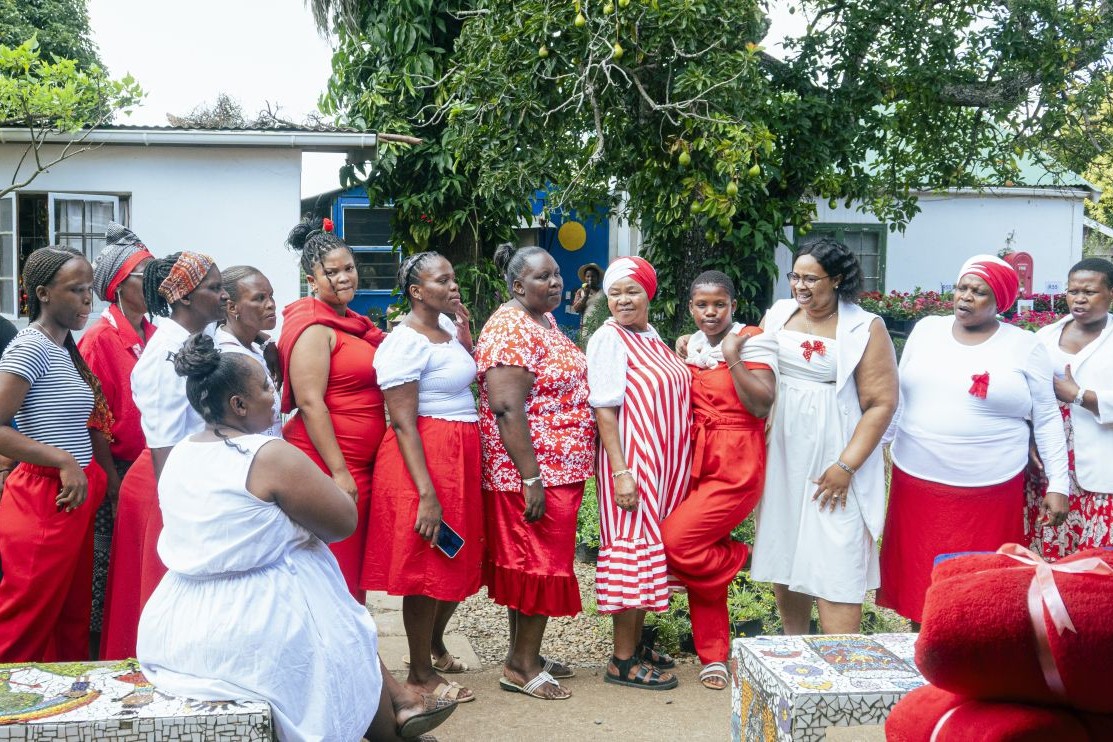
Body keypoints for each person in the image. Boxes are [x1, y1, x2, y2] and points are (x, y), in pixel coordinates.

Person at [137, 334, 456, 742]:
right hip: (254, 625)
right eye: (267, 387)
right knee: (340, 631)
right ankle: (393, 726)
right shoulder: (265, 454)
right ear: (238, 405)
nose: (275, 395)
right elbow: (343, 522)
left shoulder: (180, 452)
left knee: (335, 618)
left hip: (179, 625)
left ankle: (401, 708)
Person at [878, 255, 1069, 623]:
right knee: (919, 585)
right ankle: (924, 662)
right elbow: (900, 399)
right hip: (917, 481)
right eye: (962, 288)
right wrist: (872, 450)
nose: (965, 297)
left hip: (990, 489)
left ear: (1000, 301)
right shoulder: (926, 330)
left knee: (982, 594)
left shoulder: (1024, 346)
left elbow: (1046, 419)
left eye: (978, 292)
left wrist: (1058, 483)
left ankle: (974, 668)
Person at [750, 238, 898, 634]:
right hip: (783, 453)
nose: (800, 286)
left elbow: (881, 404)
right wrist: (697, 346)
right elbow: (750, 364)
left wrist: (846, 466)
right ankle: (794, 651)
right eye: (795, 276)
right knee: (787, 549)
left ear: (836, 279)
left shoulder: (864, 327)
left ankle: (842, 663)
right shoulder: (779, 314)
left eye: (811, 279)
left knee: (837, 557)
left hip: (836, 456)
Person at [474, 243, 595, 701]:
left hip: (555, 468)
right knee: (538, 564)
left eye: (557, 274)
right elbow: (507, 407)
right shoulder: (509, 327)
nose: (557, 282)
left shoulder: (538, 320)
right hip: (530, 471)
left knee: (531, 566)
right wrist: (531, 478)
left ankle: (524, 655)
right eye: (544, 277)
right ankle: (521, 666)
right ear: (518, 284)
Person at [362, 252, 482, 704]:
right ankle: (418, 674)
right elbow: (403, 422)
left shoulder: (447, 330)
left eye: (454, 278)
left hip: (458, 455)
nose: (453, 286)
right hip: (424, 457)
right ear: (416, 291)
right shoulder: (403, 343)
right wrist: (426, 494)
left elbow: (456, 378)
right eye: (442, 280)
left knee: (454, 558)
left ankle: (431, 649)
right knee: (426, 565)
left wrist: (465, 337)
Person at [101, 251, 228, 659]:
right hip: (164, 484)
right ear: (185, 298)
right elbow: (164, 443)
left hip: (183, 478)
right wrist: (179, 511)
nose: (225, 296)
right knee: (162, 593)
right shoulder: (166, 356)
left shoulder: (191, 344)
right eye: (214, 288)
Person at [662, 270, 777, 691]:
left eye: (719, 304)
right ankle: (714, 655)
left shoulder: (752, 338)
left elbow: (761, 404)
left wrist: (732, 356)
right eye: (701, 305)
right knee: (697, 553)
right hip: (694, 457)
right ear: (690, 307)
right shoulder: (692, 344)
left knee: (679, 541)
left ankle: (742, 557)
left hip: (736, 461)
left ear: (733, 305)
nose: (710, 312)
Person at [585, 256, 690, 691]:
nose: (623, 300)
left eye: (632, 291)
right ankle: (622, 662)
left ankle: (637, 645)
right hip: (631, 465)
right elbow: (605, 410)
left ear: (649, 293)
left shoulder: (651, 335)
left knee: (646, 554)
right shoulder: (608, 339)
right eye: (615, 292)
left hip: (660, 468)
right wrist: (621, 471)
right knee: (630, 552)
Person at [0, 246, 109, 661]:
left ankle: (58, 717)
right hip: (42, 496)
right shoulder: (29, 348)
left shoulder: (63, 348)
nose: (88, 299)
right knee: (21, 623)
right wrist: (63, 460)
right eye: (76, 289)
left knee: (69, 620)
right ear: (43, 293)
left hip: (71, 496)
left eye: (90, 289)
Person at [278, 217, 385, 602]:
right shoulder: (312, 326)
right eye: (332, 272)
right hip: (328, 463)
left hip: (358, 463)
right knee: (332, 572)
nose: (344, 278)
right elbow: (310, 403)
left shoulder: (350, 322)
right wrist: (339, 473)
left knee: (353, 572)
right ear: (312, 279)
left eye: (349, 268)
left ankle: (356, 653)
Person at [78, 223, 156, 652]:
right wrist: (111, 481)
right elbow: (94, 420)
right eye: (146, 278)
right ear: (119, 286)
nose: (155, 286)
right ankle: (102, 652)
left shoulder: (153, 334)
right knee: (106, 570)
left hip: (148, 468)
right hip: (116, 470)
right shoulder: (100, 339)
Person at [1024, 258, 1113, 559]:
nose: (1079, 299)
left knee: (1096, 565)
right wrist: (1030, 437)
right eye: (1073, 291)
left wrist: (1079, 395)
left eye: (1090, 291)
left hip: (1101, 469)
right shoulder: (1043, 338)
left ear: (1111, 293)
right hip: (1048, 465)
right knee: (1047, 554)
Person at [216, 265, 282, 438]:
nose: (271, 305)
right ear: (232, 308)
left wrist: (266, 341)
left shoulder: (250, 347)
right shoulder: (230, 358)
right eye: (259, 298)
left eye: (271, 296)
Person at [571, 263, 604, 332]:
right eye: (588, 276)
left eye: (593, 276)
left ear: (597, 278)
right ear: (584, 278)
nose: (590, 279)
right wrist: (585, 295)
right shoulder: (580, 291)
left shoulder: (603, 292)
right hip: (586, 328)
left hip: (601, 327)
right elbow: (575, 309)